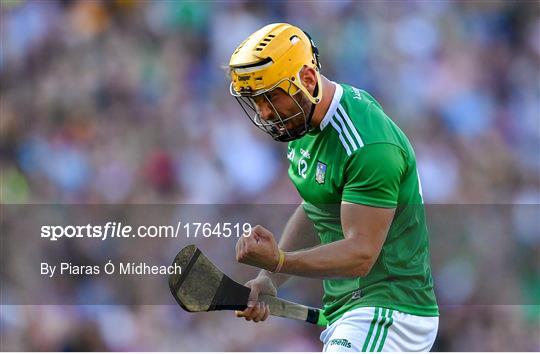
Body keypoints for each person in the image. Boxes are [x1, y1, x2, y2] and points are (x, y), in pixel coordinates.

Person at [228, 23, 439, 352]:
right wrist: (270, 278)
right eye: (256, 100)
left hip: (390, 312)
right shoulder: (305, 123)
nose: (265, 112)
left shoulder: (369, 144)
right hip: (351, 311)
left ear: (307, 80)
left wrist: (280, 260)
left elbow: (361, 255)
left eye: (271, 97)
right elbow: (316, 207)